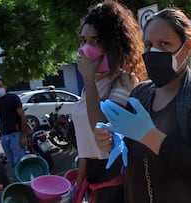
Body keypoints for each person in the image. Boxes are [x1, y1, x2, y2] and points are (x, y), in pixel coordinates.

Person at [94, 8, 191, 203]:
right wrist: (111, 138)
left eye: (164, 44)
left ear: (187, 45)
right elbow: (130, 151)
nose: (154, 52)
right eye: (149, 45)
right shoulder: (140, 93)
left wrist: (152, 137)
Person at [71, 1, 146, 202]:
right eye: (84, 40)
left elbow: (103, 134)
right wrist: (78, 187)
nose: (86, 48)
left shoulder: (124, 81)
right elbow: (85, 146)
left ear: (113, 43)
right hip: (93, 180)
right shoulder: (91, 86)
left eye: (95, 40)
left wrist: (87, 77)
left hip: (115, 183)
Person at [0, 78, 27, 174]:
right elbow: (1, 119)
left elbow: (22, 116)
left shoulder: (13, 98)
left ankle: (27, 184)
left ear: (5, 87)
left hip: (16, 134)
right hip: (4, 136)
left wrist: (23, 136)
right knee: (11, 163)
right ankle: (20, 183)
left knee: (20, 162)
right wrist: (1, 135)